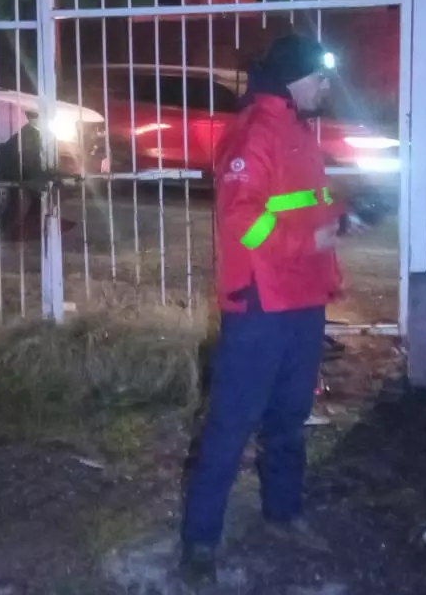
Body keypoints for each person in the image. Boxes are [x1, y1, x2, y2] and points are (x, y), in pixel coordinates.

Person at [179, 33, 350, 584]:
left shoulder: (297, 129)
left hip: (301, 299)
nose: (326, 86)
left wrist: (344, 218)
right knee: (232, 421)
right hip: (262, 302)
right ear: (294, 79)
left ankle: (283, 511)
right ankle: (200, 541)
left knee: (289, 418)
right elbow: (242, 221)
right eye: (319, 77)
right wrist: (307, 242)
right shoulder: (255, 130)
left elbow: (304, 205)